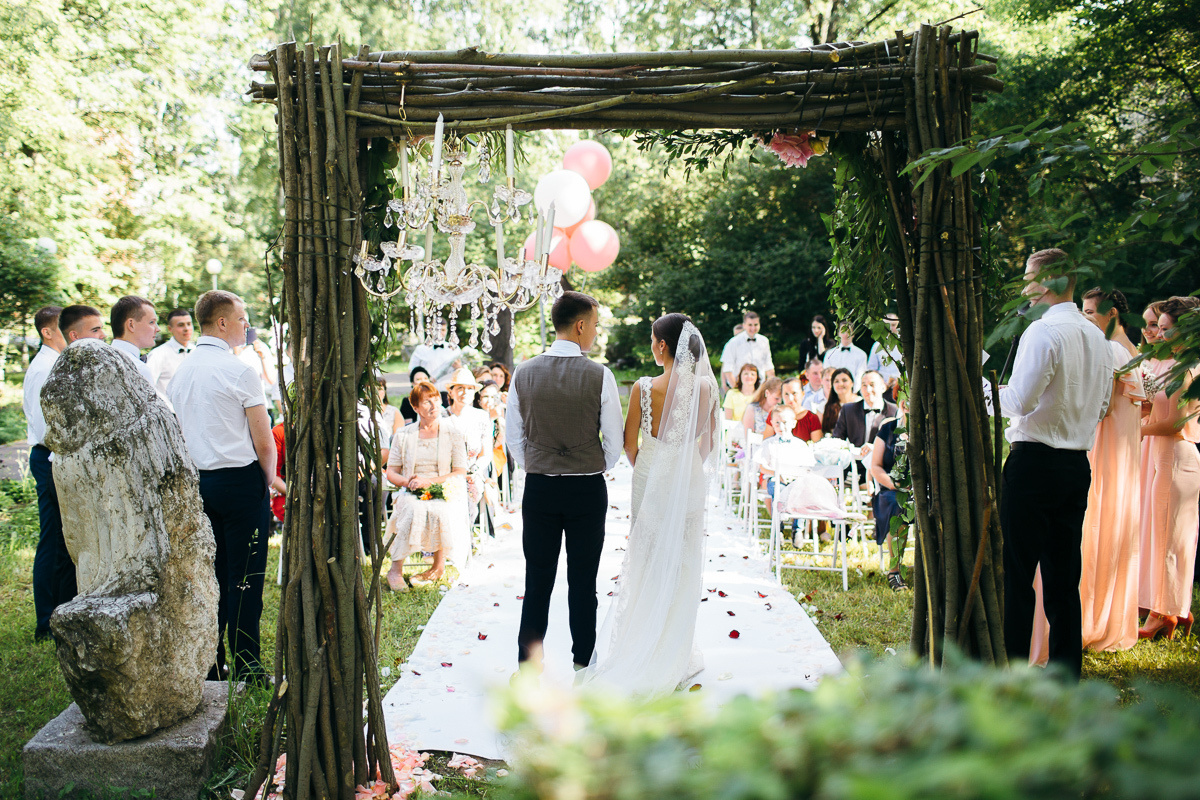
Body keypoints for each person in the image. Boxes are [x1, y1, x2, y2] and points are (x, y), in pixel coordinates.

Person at [578, 313, 718, 696]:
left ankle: (644, 643)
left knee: (648, 557)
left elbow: (628, 443)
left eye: (652, 340)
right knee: (683, 561)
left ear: (662, 346)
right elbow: (708, 440)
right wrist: (686, 468)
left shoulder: (642, 387)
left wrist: (652, 473)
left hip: (650, 475)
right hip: (688, 479)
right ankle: (675, 648)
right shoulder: (706, 388)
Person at [997, 248, 1111, 680]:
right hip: (1076, 466)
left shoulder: (1043, 333)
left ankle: (1010, 668)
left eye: (1028, 276)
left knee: (1019, 571)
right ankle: (1065, 673)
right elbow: (1101, 406)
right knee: (1064, 577)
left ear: (1045, 282)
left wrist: (980, 388)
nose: (1025, 285)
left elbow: (1019, 401)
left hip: (1033, 465)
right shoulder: (1096, 337)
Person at [168, 290, 285, 683]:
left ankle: (212, 663)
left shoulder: (181, 371)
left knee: (213, 577)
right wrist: (265, 480)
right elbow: (264, 439)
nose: (246, 325)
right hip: (240, 481)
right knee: (246, 578)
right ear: (221, 323)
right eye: (242, 319)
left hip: (199, 484)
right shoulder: (239, 371)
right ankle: (249, 668)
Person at [506, 291, 623, 671]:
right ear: (580, 325)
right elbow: (615, 442)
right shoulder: (600, 375)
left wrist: (538, 464)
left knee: (537, 581)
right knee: (583, 581)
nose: (596, 332)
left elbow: (514, 436)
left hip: (539, 488)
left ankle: (528, 667)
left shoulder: (523, 372)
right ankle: (583, 665)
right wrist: (590, 465)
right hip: (586, 489)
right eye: (596, 324)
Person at [1078, 288, 1145, 651]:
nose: (1085, 318)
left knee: (1098, 525)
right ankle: (1108, 615)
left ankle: (1093, 618)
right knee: (1111, 525)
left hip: (1107, 449)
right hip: (1122, 451)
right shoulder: (1133, 352)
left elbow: (1101, 407)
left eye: (1090, 312)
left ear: (1112, 313)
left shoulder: (1112, 352)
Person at [1138, 295, 1200, 641]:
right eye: (1157, 328)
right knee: (1167, 537)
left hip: (1175, 457)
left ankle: (1163, 614)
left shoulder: (1187, 369)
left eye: (1164, 329)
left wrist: (1137, 430)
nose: (1158, 335)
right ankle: (1177, 609)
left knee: (1168, 540)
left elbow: (1174, 424)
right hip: (1168, 457)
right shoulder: (1180, 365)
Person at [384, 380, 469, 589]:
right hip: (412, 489)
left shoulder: (453, 432)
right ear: (415, 408)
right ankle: (395, 569)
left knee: (440, 510)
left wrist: (430, 482)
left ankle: (438, 567)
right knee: (412, 508)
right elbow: (391, 471)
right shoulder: (403, 434)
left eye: (436, 400)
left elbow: (459, 471)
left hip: (443, 488)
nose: (433, 405)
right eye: (426, 402)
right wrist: (409, 482)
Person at [25, 306, 76, 643]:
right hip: (49, 458)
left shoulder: (53, 364)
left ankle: (61, 610)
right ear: (47, 331)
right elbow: (47, 430)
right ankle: (46, 619)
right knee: (54, 540)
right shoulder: (44, 369)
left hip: (56, 457)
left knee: (62, 538)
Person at [869, 399, 910, 591]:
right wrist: (895, 485)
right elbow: (875, 466)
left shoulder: (929, 428)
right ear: (902, 404)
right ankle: (894, 571)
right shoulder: (889, 428)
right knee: (897, 506)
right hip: (891, 491)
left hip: (922, 490)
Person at [446, 368, 492, 531]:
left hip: (472, 473)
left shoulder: (482, 417)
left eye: (469, 388)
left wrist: (475, 471)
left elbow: (486, 454)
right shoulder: (441, 418)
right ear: (450, 392)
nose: (465, 392)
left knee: (471, 489)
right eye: (459, 388)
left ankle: (466, 536)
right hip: (445, 473)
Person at [831, 370, 897, 459]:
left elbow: (896, 444)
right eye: (864, 385)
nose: (868, 390)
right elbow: (837, 440)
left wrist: (875, 448)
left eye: (872, 385)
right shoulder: (848, 410)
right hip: (854, 466)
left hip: (882, 465)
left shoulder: (894, 411)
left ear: (883, 387)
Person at [146, 308, 195, 404]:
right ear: (170, 329)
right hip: (170, 413)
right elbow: (148, 386)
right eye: (181, 325)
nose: (186, 328)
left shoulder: (197, 352)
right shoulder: (158, 354)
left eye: (189, 324)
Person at [109, 295, 158, 388]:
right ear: (131, 325)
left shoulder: (102, 359)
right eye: (152, 322)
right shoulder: (139, 370)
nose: (157, 329)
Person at [721, 311, 774, 391]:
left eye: (756, 325)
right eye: (750, 325)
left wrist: (771, 388)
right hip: (739, 386)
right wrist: (736, 390)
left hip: (759, 387)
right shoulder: (733, 343)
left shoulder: (764, 341)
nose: (753, 328)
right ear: (744, 325)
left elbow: (769, 366)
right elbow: (727, 369)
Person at [409, 318, 463, 391]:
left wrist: (459, 367)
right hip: (427, 390)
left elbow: (462, 372)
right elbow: (412, 371)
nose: (440, 333)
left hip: (448, 391)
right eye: (437, 330)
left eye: (443, 330)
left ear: (447, 330)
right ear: (431, 330)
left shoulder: (455, 349)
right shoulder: (421, 349)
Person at [866, 312, 903, 398]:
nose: (890, 328)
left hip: (902, 387)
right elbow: (872, 369)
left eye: (893, 325)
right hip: (883, 388)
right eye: (887, 325)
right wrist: (881, 382)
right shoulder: (877, 346)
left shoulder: (904, 344)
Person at [775, 376, 823, 442]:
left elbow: (817, 446)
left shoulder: (812, 418)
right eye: (786, 394)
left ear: (803, 394)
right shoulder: (775, 416)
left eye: (794, 393)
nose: (790, 398)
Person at [822, 321, 867, 389]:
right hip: (833, 390)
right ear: (838, 334)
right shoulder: (830, 354)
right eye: (843, 331)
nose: (846, 334)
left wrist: (853, 392)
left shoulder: (861, 355)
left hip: (853, 392)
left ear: (853, 334)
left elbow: (860, 376)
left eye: (849, 331)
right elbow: (826, 375)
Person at [821, 367, 858, 435]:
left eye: (844, 380)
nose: (840, 384)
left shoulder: (860, 402)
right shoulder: (824, 406)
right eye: (836, 381)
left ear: (852, 383)